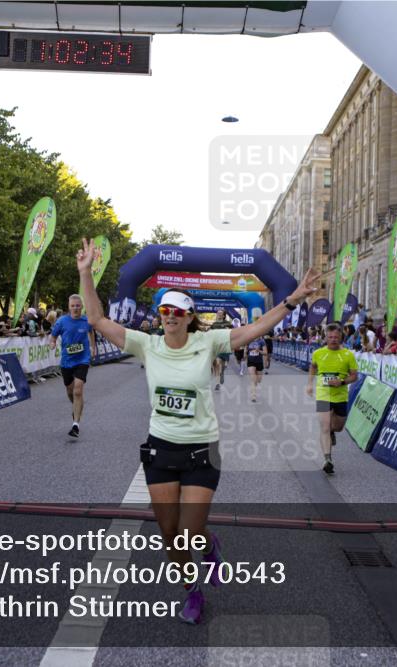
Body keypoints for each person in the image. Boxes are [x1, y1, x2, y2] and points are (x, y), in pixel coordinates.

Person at [75, 237, 319, 625]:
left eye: (177, 310)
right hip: (161, 449)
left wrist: (293, 299)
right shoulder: (147, 345)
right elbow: (96, 320)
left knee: (189, 532)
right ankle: (192, 591)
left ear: (190, 317)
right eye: (164, 310)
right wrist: (86, 274)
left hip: (201, 449)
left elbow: (256, 328)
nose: (169, 315)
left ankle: (207, 546)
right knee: (169, 534)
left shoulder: (209, 343)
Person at [306, 323, 358, 475]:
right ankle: (327, 459)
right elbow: (313, 367)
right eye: (330, 337)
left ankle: (333, 432)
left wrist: (341, 382)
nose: (333, 340)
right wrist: (310, 384)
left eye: (336, 337)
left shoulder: (348, 355)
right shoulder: (318, 353)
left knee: (338, 426)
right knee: (324, 427)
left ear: (341, 336)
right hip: (323, 394)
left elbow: (355, 376)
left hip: (341, 395)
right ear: (325, 337)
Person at [49, 295, 92, 438]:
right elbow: (53, 335)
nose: (75, 308)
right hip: (67, 361)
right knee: (70, 391)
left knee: (78, 390)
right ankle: (77, 406)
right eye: (73, 306)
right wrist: (53, 343)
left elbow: (91, 331)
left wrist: (93, 346)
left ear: (82, 307)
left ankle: (75, 425)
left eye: (78, 306)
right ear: (69, 307)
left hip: (83, 359)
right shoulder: (62, 321)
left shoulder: (86, 320)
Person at [210, 309, 231, 391]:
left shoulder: (227, 323)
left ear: (223, 315)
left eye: (220, 313)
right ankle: (217, 383)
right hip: (216, 346)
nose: (218, 314)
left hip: (225, 346)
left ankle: (222, 373)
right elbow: (210, 334)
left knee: (222, 365)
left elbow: (233, 333)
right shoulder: (214, 324)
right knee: (217, 363)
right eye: (217, 313)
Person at [245, 334, 268, 402]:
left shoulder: (262, 341)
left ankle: (254, 387)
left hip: (259, 362)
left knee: (258, 380)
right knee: (253, 379)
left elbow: (265, 352)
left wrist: (259, 351)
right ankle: (253, 396)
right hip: (250, 361)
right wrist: (245, 353)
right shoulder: (249, 340)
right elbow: (246, 348)